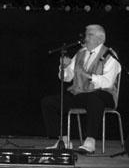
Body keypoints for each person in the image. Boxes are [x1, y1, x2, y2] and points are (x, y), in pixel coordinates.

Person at [41, 24, 121, 154]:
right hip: (81, 94)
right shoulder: (80, 53)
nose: (86, 38)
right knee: (49, 102)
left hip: (105, 95)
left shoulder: (110, 55)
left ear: (100, 39)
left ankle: (90, 140)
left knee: (94, 98)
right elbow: (66, 78)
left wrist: (89, 76)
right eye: (86, 34)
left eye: (90, 35)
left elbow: (107, 82)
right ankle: (64, 140)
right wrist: (64, 68)